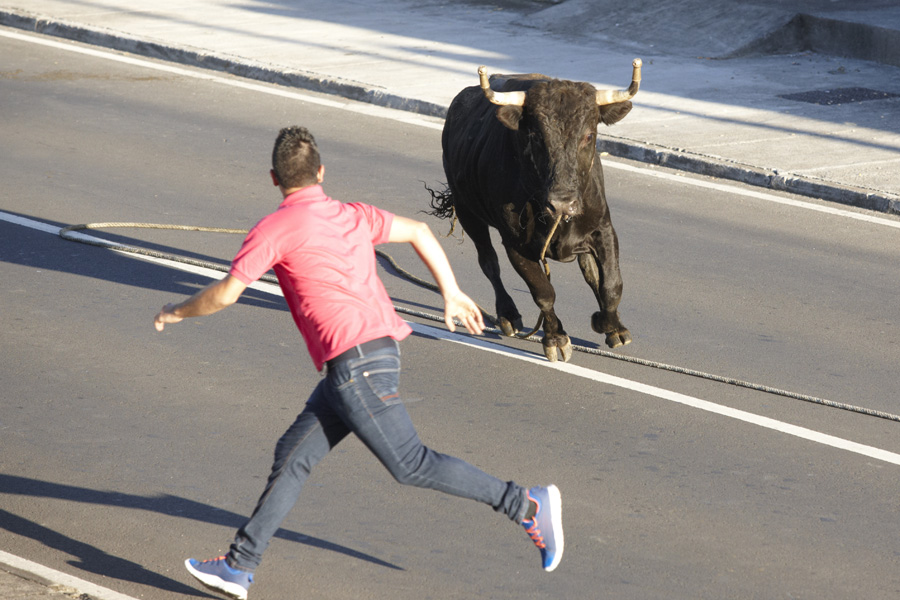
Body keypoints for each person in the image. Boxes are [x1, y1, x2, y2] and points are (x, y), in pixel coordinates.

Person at [154, 126, 563, 600]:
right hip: (369, 356)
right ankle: (239, 567)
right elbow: (420, 231)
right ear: (321, 173)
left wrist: (176, 311)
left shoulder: (274, 229)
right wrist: (450, 291)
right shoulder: (350, 214)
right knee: (293, 455)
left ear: (273, 178)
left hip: (357, 366)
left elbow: (226, 294)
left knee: (410, 464)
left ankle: (526, 505)